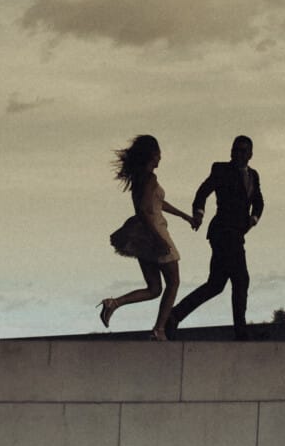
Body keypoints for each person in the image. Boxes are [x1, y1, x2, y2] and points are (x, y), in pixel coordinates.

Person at [98, 134, 196, 341]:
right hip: (154, 232)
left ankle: (113, 303)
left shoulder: (139, 178)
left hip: (140, 235)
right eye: (159, 152)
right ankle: (159, 330)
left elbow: (159, 203)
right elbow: (145, 210)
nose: (161, 156)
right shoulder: (150, 178)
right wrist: (158, 239)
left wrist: (185, 216)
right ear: (152, 154)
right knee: (173, 282)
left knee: (154, 288)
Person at [170, 135, 264, 340]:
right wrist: (198, 214)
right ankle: (241, 332)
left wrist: (253, 219)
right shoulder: (221, 170)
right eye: (235, 150)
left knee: (216, 285)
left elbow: (259, 202)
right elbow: (202, 192)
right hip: (223, 232)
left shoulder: (254, 176)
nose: (237, 154)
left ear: (250, 155)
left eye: (242, 151)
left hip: (236, 233)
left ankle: (174, 316)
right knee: (241, 279)